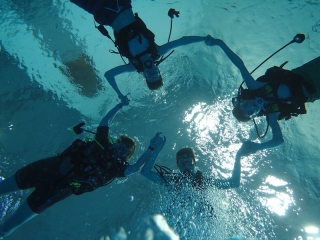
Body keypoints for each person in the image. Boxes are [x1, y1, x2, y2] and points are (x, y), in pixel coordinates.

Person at [0, 102, 160, 237]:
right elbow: (105, 121)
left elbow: (134, 169)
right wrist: (120, 104)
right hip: (47, 168)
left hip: (56, 191)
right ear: (115, 142)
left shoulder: (115, 169)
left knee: (7, 228)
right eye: (119, 144)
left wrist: (151, 148)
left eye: (123, 150)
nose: (118, 149)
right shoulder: (102, 143)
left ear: (125, 157)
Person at [70, 0, 211, 104]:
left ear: (144, 77)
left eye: (150, 76)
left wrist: (120, 95)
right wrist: (204, 38)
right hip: (123, 3)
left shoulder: (132, 66)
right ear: (158, 70)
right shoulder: (158, 51)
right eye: (156, 74)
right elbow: (182, 41)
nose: (152, 73)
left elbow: (109, 75)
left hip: (103, 11)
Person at [205, 35, 320, 155]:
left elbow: (239, 65)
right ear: (254, 116)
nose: (251, 107)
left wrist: (219, 43)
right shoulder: (271, 114)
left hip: (307, 72)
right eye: (250, 112)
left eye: (245, 105)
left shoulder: (255, 87)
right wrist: (257, 147)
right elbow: (278, 140)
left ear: (243, 100)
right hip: (316, 91)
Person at [140, 133, 241, 190]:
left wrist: (238, 156)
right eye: (182, 163)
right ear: (178, 166)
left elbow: (234, 183)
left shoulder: (205, 182)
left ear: (194, 163)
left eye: (188, 162)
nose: (185, 166)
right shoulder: (171, 180)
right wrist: (156, 149)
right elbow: (145, 172)